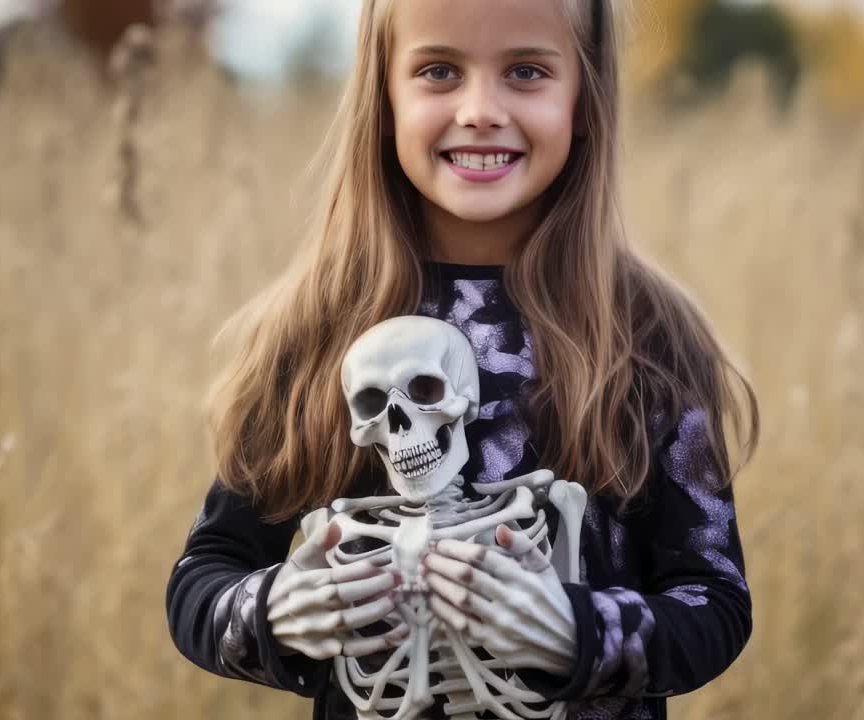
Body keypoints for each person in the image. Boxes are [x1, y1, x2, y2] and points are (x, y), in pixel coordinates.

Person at [165, 1, 760, 718]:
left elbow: (714, 603)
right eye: (439, 70)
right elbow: (202, 578)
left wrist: (576, 632)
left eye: (527, 71)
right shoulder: (315, 330)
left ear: (585, 100)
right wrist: (275, 611)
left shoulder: (649, 336)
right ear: (383, 100)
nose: (480, 110)